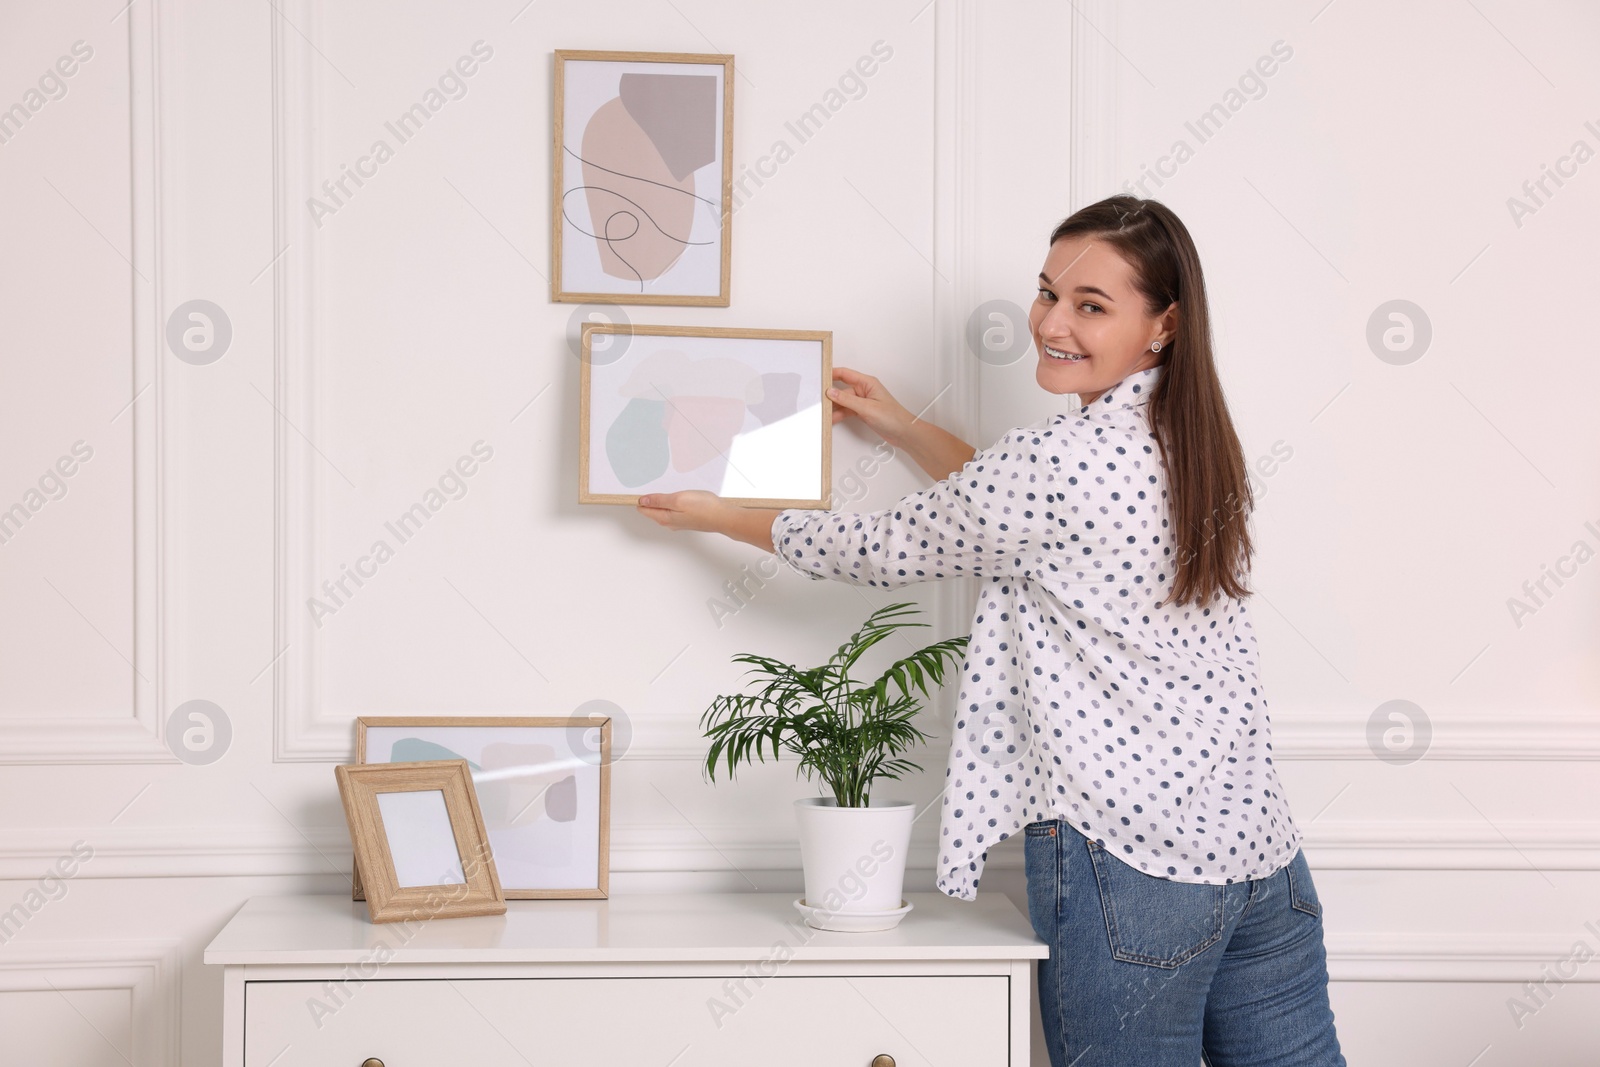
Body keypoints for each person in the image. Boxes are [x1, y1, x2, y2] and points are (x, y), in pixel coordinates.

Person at [637, 195, 1346, 1066]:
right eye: (1048, 292)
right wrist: (901, 423)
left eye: (1091, 305)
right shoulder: (1194, 438)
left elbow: (879, 547)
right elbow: (1007, 515)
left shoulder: (1058, 464)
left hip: (1131, 866)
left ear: (1163, 323)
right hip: (1260, 859)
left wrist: (724, 514)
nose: (1051, 321)